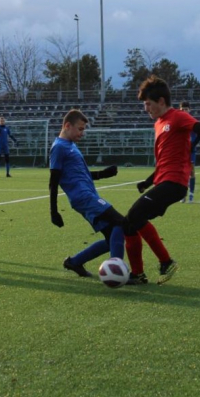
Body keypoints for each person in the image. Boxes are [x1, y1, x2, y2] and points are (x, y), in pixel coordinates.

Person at [124, 75, 200, 285]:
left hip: (175, 182)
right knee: (132, 223)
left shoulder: (177, 116)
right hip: (164, 181)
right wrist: (148, 181)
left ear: (161, 101)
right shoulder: (159, 124)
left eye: (148, 104)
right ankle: (138, 274)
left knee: (133, 215)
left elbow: (197, 126)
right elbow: (163, 161)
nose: (145, 108)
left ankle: (166, 261)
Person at [49, 109, 126, 277]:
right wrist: (53, 211)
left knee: (111, 238)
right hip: (83, 197)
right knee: (121, 223)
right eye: (80, 129)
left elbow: (80, 175)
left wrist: (103, 174)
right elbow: (54, 181)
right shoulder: (59, 148)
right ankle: (117, 273)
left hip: (88, 195)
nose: (82, 133)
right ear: (67, 126)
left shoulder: (70, 145)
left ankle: (74, 262)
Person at [179, 101, 200, 203]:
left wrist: (193, 145)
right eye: (182, 109)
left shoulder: (193, 121)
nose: (184, 111)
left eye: (186, 109)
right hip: (181, 150)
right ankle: (183, 194)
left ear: (189, 110)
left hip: (191, 150)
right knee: (181, 173)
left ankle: (191, 195)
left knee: (191, 172)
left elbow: (199, 134)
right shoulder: (178, 122)